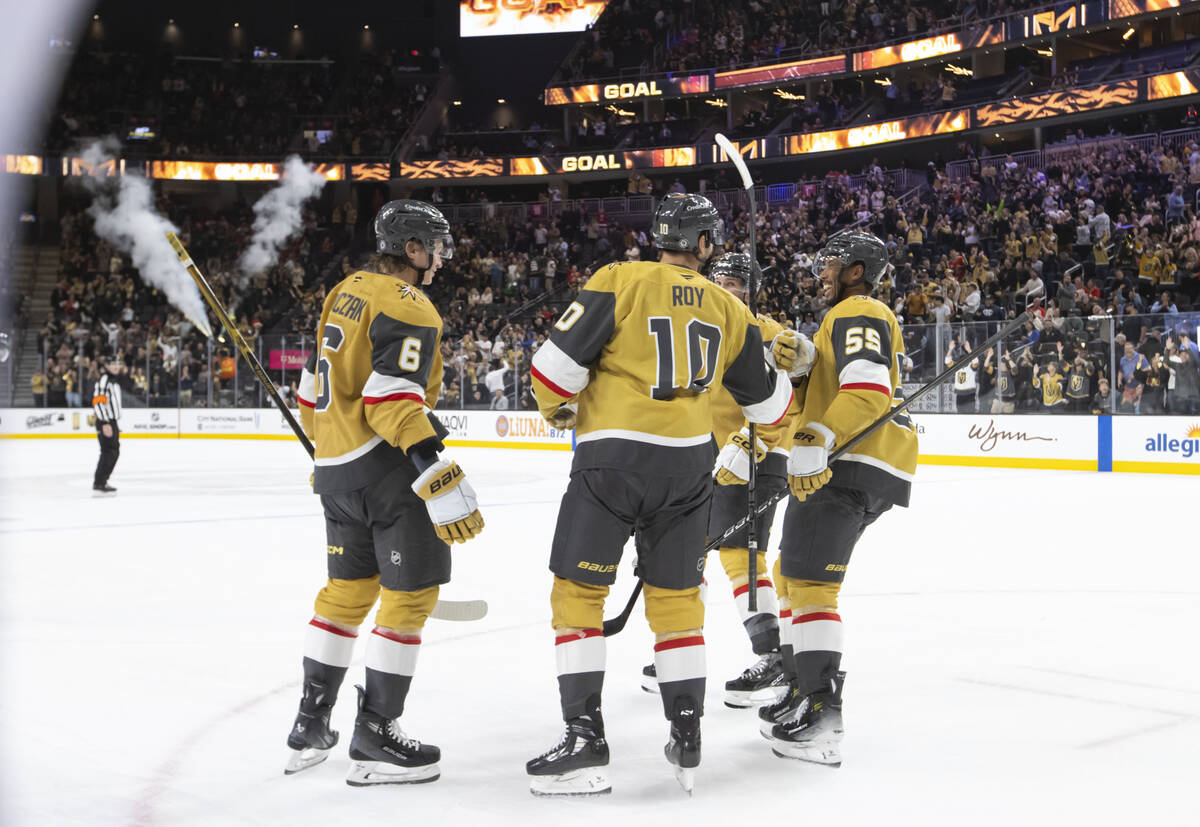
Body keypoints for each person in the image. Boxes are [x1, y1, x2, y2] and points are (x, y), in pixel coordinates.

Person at [525, 193, 793, 795]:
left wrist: (560, 408)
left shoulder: (621, 278)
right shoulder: (729, 307)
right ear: (704, 244)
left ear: (660, 238)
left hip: (611, 461)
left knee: (578, 595)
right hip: (689, 469)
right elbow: (774, 407)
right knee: (678, 603)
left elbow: (550, 372)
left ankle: (584, 739)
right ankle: (688, 736)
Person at [285, 201, 485, 785]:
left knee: (345, 595)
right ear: (414, 249)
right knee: (411, 598)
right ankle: (375, 733)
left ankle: (310, 723)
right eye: (437, 247)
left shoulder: (345, 289)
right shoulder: (408, 301)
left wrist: (326, 446)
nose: (443, 259)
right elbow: (392, 399)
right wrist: (437, 472)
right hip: (386, 471)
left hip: (338, 474)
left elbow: (309, 385)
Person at [759, 230, 918, 768]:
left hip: (848, 460)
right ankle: (802, 686)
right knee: (790, 573)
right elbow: (837, 381)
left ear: (855, 269)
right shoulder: (839, 317)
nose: (819, 272)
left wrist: (817, 437)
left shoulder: (860, 306)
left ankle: (822, 711)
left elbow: (869, 386)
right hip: (855, 460)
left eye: (829, 264)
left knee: (809, 583)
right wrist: (806, 367)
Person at [641, 252, 810, 708]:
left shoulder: (771, 333)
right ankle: (680, 647)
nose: (728, 289)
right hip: (708, 457)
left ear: (753, 290)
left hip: (762, 454)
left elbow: (787, 401)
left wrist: (752, 445)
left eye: (737, 283)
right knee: (687, 551)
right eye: (721, 281)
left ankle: (772, 653)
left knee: (741, 554)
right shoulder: (702, 326)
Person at [91, 359, 123, 495]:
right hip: (106, 421)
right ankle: (99, 482)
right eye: (113, 364)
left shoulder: (112, 380)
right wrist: (105, 422)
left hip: (111, 421)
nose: (116, 367)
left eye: (117, 364)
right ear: (107, 366)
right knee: (109, 452)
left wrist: (115, 423)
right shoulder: (104, 380)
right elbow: (98, 402)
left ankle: (102, 481)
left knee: (113, 451)